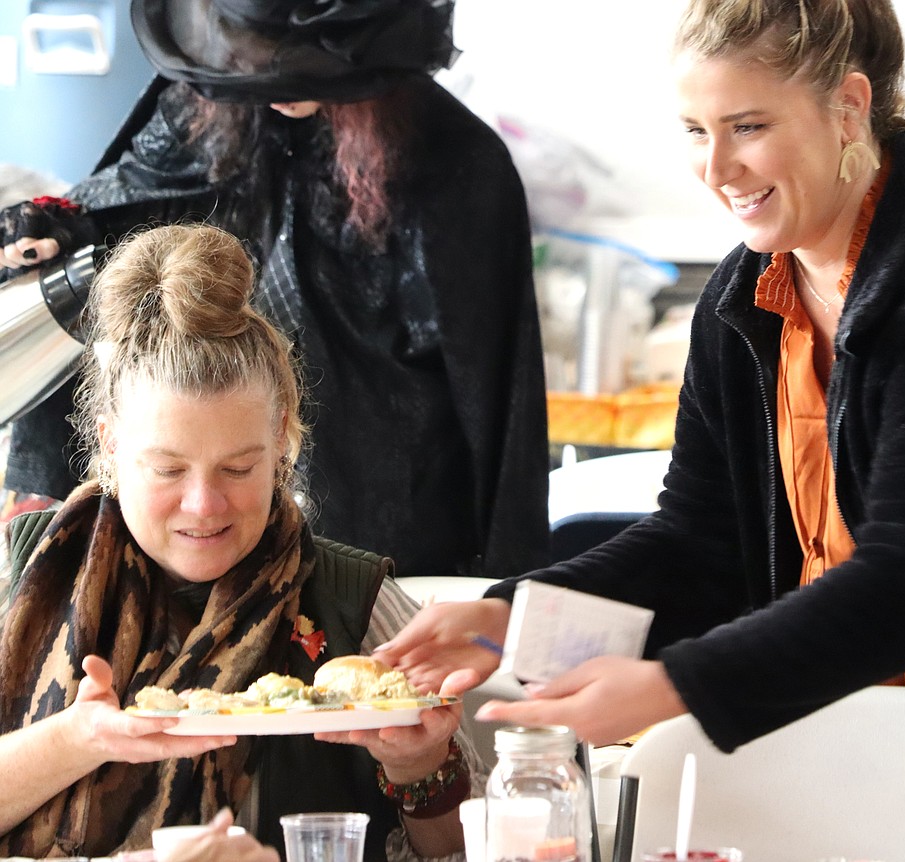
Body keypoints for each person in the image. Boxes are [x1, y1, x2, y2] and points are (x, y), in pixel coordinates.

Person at [377, 0, 905, 844]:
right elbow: (698, 538)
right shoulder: (742, 297)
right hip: (887, 743)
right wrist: (517, 618)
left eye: (747, 126)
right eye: (693, 130)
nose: (716, 167)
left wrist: (673, 687)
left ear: (850, 108)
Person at [0, 0, 550, 579]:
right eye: (253, 55)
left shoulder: (458, 169)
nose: (273, 85)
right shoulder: (205, 111)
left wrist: (511, 594)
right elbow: (118, 217)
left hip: (391, 528)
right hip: (213, 524)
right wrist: (51, 228)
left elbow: (504, 406)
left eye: (299, 64)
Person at [0, 224, 483, 860]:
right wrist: (78, 740)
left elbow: (468, 848)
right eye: (168, 470)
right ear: (111, 444)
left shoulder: (356, 605)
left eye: (238, 469)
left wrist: (422, 766)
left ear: (282, 440)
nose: (204, 506)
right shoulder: (21, 573)